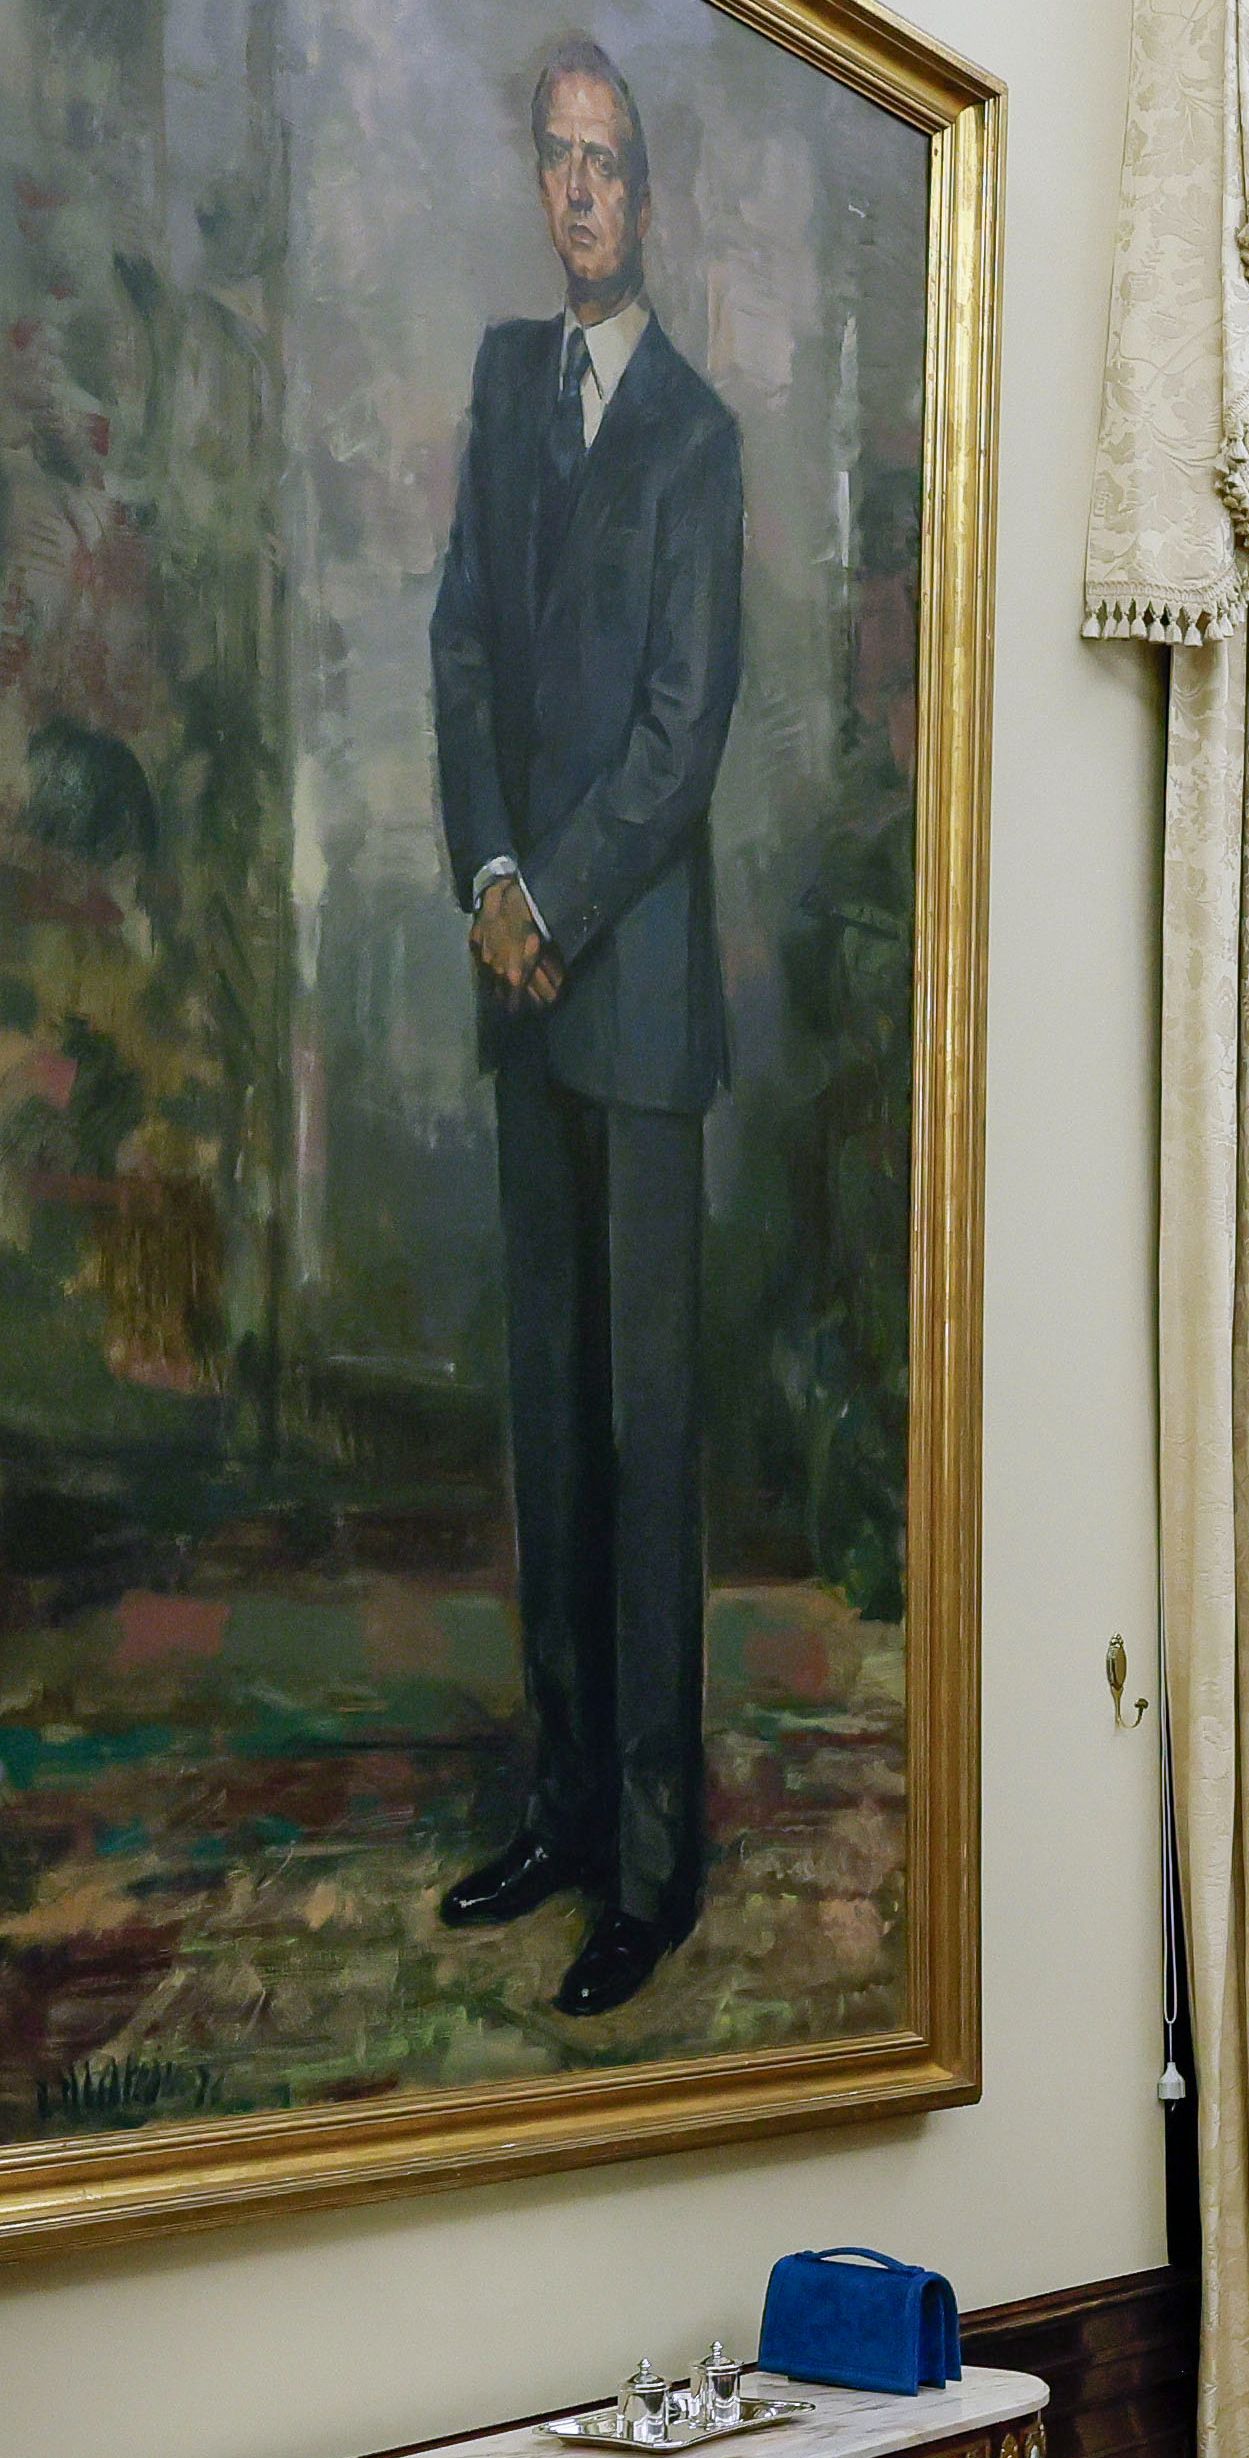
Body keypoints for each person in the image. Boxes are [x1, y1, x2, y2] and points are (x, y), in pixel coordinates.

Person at [425, 35, 748, 2018]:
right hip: (521, 986)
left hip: (630, 1004)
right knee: (549, 1428)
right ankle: (556, 1807)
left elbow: (679, 733)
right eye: (554, 157)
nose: (577, 189)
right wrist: (486, 879)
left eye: (606, 159)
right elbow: (463, 646)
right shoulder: (501, 386)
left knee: (642, 1446)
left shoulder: (697, 438)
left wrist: (550, 901)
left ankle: (648, 1862)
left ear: (648, 191)